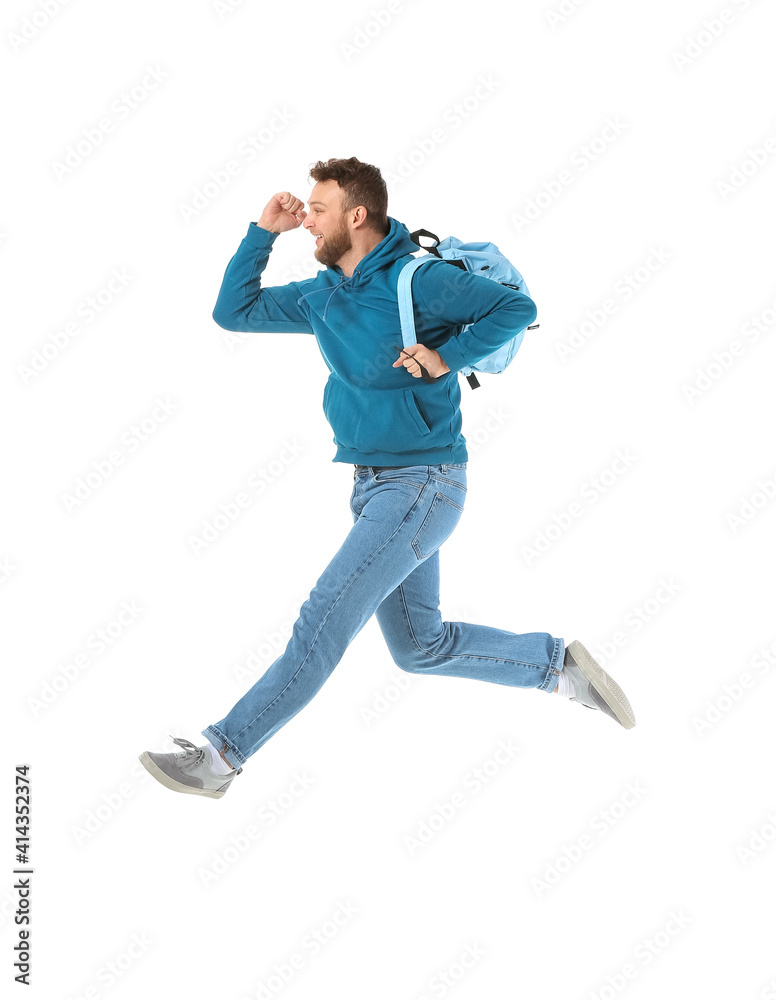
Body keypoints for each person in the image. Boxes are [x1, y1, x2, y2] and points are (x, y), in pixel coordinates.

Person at [139, 156, 636, 800]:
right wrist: (264, 232)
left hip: (423, 484)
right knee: (419, 648)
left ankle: (220, 757)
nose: (308, 223)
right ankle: (556, 668)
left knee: (322, 622)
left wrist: (443, 356)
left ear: (357, 215)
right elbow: (234, 312)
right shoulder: (324, 294)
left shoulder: (416, 279)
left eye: (318, 212)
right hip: (375, 485)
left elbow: (517, 307)